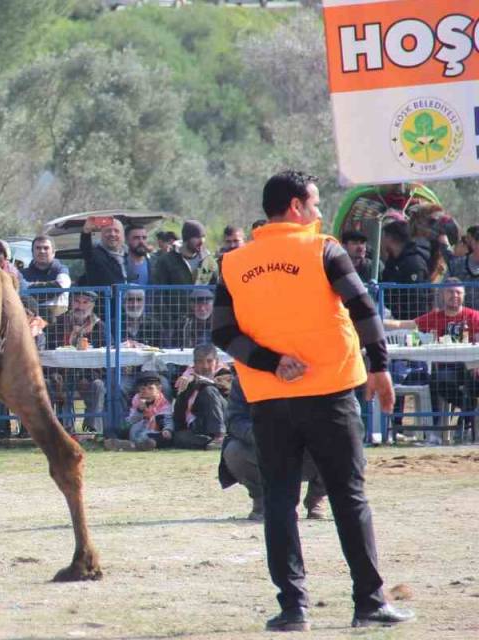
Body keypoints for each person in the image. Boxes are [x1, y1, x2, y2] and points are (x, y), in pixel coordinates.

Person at [213, 170, 412, 631]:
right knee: (350, 497)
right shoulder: (325, 249)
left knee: (280, 500)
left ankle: (292, 609)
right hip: (331, 392)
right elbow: (363, 308)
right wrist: (380, 366)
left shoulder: (233, 263)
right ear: (297, 206)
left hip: (269, 398)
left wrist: (269, 362)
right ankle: (369, 603)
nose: (321, 212)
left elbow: (222, 332)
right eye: (316, 203)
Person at [220, 373, 328, 522]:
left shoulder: (319, 368)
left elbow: (348, 411)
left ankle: (316, 497)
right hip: (264, 445)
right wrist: (258, 434)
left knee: (345, 446)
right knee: (235, 452)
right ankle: (262, 499)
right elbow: (234, 419)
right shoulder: (247, 373)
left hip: (308, 448)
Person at [384, 279, 479, 437]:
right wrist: (377, 321)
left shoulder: (474, 316)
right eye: (450, 292)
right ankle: (469, 414)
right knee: (437, 382)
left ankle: (469, 421)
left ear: (464, 294)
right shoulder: (434, 317)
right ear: (442, 294)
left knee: (473, 381)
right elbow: (405, 324)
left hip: (471, 368)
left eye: (458, 292)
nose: (454, 296)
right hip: (446, 369)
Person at [50, 291, 106, 432]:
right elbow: (48, 351)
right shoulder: (58, 323)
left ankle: (92, 429)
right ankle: (62, 429)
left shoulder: (100, 326)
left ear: (92, 305)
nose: (80, 306)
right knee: (54, 382)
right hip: (62, 373)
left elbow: (106, 356)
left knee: (98, 385)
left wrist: (88, 377)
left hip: (89, 375)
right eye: (77, 301)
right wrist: (55, 373)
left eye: (85, 302)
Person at [169, 344, 231, 450]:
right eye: (200, 361)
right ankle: (211, 443)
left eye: (209, 361)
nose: (205, 366)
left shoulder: (225, 373)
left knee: (208, 390)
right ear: (194, 363)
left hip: (226, 418)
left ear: (216, 361)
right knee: (178, 437)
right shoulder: (186, 377)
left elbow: (221, 386)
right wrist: (186, 388)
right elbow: (179, 411)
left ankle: (219, 435)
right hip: (199, 424)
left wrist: (196, 380)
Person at [379, 220, 431, 321]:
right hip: (394, 320)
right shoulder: (392, 261)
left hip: (411, 324)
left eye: (384, 237)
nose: (382, 242)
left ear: (390, 238)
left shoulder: (414, 263)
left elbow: (417, 301)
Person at [105, 372, 170, 451]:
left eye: (150, 388)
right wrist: (139, 410)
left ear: (159, 389)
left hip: (151, 432)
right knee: (111, 430)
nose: (146, 392)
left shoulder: (164, 404)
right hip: (136, 430)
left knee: (161, 438)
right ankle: (117, 442)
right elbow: (131, 421)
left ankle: (132, 445)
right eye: (142, 389)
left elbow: (167, 421)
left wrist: (167, 430)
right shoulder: (137, 399)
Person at [78, 217, 127, 287]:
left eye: (116, 231)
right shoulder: (95, 255)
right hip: (104, 297)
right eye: (108, 231)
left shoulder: (129, 255)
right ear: (101, 235)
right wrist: (86, 232)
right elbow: (85, 249)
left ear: (122, 235)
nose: (112, 234)